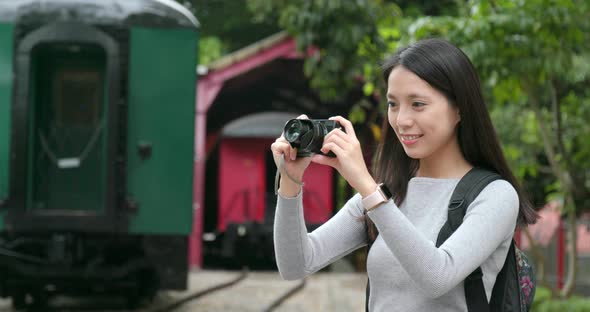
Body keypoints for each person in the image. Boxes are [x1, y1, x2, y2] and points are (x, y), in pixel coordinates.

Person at [270, 38, 538, 311]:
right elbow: (295, 265)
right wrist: (290, 183)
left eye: (418, 104)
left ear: (459, 108)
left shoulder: (495, 195)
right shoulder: (391, 194)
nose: (401, 120)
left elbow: (438, 276)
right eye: (393, 104)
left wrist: (366, 185)